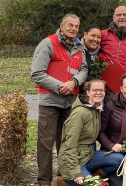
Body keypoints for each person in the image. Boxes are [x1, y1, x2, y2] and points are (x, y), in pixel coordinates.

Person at [31, 13, 88, 186]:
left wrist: (74, 82)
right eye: (70, 25)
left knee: (66, 142)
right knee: (45, 144)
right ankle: (44, 181)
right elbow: (36, 73)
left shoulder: (79, 46)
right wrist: (61, 86)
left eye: (76, 26)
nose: (73, 29)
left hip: (70, 103)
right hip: (50, 102)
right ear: (61, 26)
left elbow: (84, 68)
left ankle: (62, 177)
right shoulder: (48, 43)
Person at [58, 79, 122, 186]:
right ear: (87, 92)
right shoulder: (80, 113)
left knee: (119, 159)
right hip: (72, 163)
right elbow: (68, 145)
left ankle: (90, 176)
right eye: (95, 90)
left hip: (88, 156)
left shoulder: (96, 109)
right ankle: (66, 180)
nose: (98, 93)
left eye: (101, 90)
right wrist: (75, 173)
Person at [79, 25, 102, 93]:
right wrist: (80, 83)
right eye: (92, 35)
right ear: (85, 35)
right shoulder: (75, 50)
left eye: (99, 37)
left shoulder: (102, 53)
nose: (95, 39)